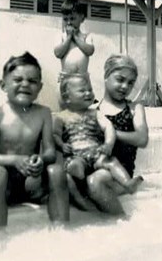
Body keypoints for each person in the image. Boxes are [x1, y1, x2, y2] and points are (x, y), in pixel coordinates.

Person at [0, 51, 69, 227]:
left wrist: (40, 159)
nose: (25, 84)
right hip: (5, 186)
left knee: (56, 171)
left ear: (40, 87)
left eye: (32, 81)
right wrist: (15, 160)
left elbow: (50, 151)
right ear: (3, 85)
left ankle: (62, 230)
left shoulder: (43, 113)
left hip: (32, 184)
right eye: (18, 80)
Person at [67, 54, 149, 216]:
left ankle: (121, 223)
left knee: (95, 181)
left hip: (120, 172)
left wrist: (110, 132)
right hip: (94, 165)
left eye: (130, 83)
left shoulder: (134, 108)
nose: (125, 86)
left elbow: (142, 138)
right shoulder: (92, 109)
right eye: (120, 79)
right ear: (106, 76)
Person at [53, 74, 143, 204]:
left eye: (90, 90)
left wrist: (108, 144)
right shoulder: (61, 117)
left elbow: (108, 127)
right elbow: (55, 134)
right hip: (75, 154)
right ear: (67, 97)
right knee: (75, 165)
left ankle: (127, 183)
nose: (88, 93)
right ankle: (79, 178)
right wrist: (61, 145)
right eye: (82, 91)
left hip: (95, 153)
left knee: (111, 162)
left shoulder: (95, 113)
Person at [54, 0, 94, 82]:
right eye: (65, 19)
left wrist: (75, 37)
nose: (69, 22)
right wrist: (69, 38)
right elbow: (58, 53)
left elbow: (90, 51)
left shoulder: (86, 36)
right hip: (65, 78)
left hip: (82, 78)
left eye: (72, 19)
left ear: (82, 18)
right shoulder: (62, 37)